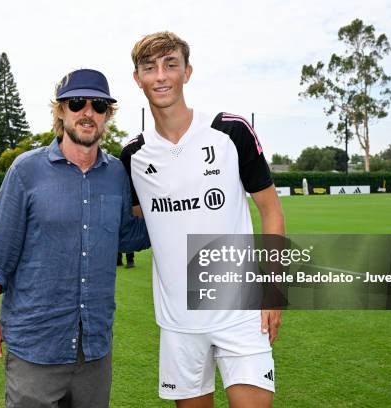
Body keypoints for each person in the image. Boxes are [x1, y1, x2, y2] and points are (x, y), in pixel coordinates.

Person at [120, 32, 285, 408]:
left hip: (241, 315)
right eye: (150, 68)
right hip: (178, 325)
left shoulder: (230, 131)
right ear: (137, 79)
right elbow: (128, 224)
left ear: (187, 72)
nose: (161, 76)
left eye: (170, 65)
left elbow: (271, 211)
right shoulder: (134, 154)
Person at [0, 68, 150, 408]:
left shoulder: (116, 174)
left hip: (94, 352)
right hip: (35, 349)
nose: (88, 112)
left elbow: (129, 237)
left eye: (99, 106)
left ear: (107, 116)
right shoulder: (26, 171)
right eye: (76, 104)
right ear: (60, 111)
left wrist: (180, 209)